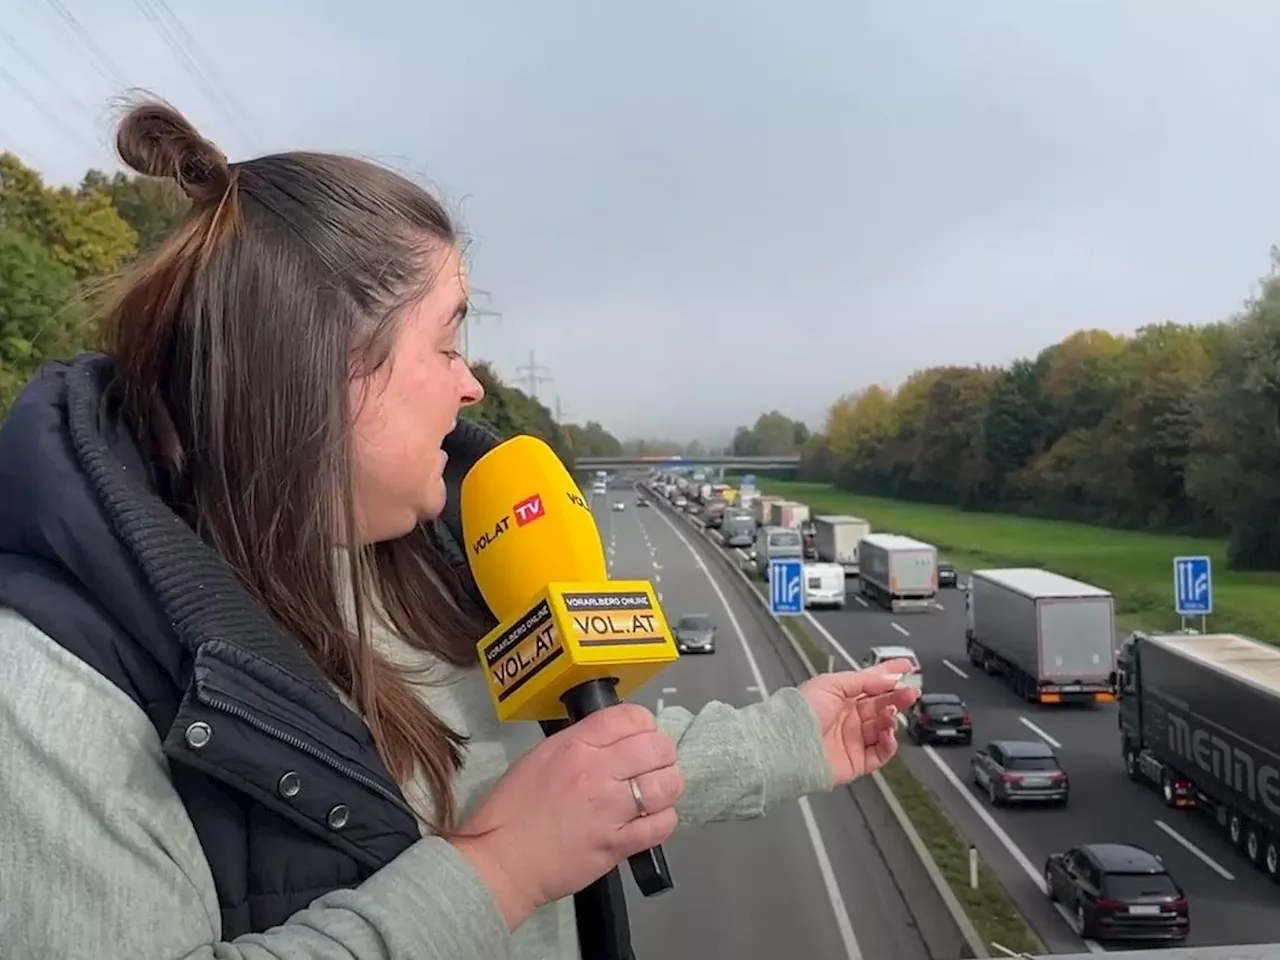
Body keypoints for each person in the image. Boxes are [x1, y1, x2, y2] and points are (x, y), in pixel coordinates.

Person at [0, 99, 919, 960]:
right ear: (320, 371)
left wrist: (789, 736)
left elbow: (557, 777)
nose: (472, 386)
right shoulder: (50, 692)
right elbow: (523, 830)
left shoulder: (427, 557)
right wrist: (502, 870)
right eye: (445, 343)